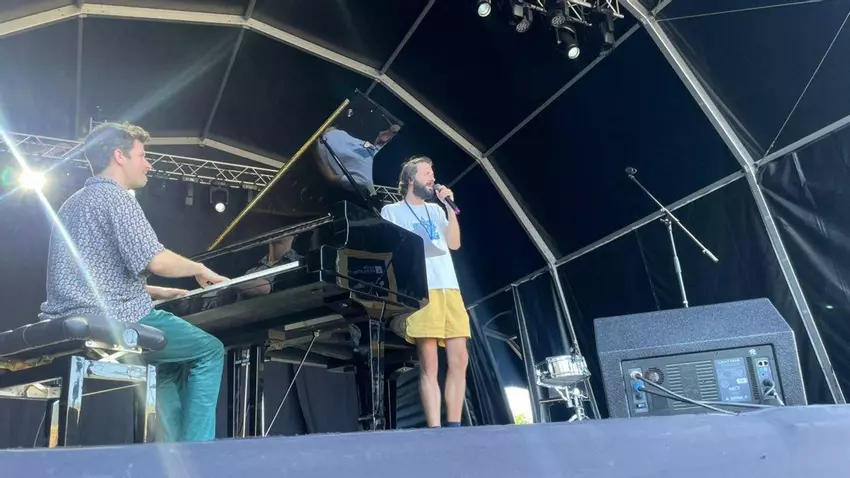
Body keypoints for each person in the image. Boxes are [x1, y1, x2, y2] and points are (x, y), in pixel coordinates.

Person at [39, 121, 228, 443]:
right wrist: (199, 268)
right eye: (142, 155)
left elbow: (91, 274)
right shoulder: (116, 198)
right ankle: (198, 450)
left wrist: (153, 290)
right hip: (116, 317)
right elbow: (156, 260)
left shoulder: (73, 203)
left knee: (168, 362)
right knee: (210, 350)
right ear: (119, 156)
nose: (148, 164)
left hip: (68, 314)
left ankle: (172, 454)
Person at [379, 155, 469, 428]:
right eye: (427, 173)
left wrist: (449, 207)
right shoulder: (391, 211)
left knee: (460, 359)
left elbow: (454, 244)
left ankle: (455, 426)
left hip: (449, 287)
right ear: (410, 179)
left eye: (433, 173)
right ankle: (435, 429)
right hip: (420, 290)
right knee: (429, 363)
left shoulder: (437, 210)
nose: (433, 178)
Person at [233, 234, 302, 299]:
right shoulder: (251, 271)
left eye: (280, 226)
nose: (275, 230)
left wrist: (231, 283)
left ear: (296, 233)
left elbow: (266, 288)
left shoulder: (302, 264)